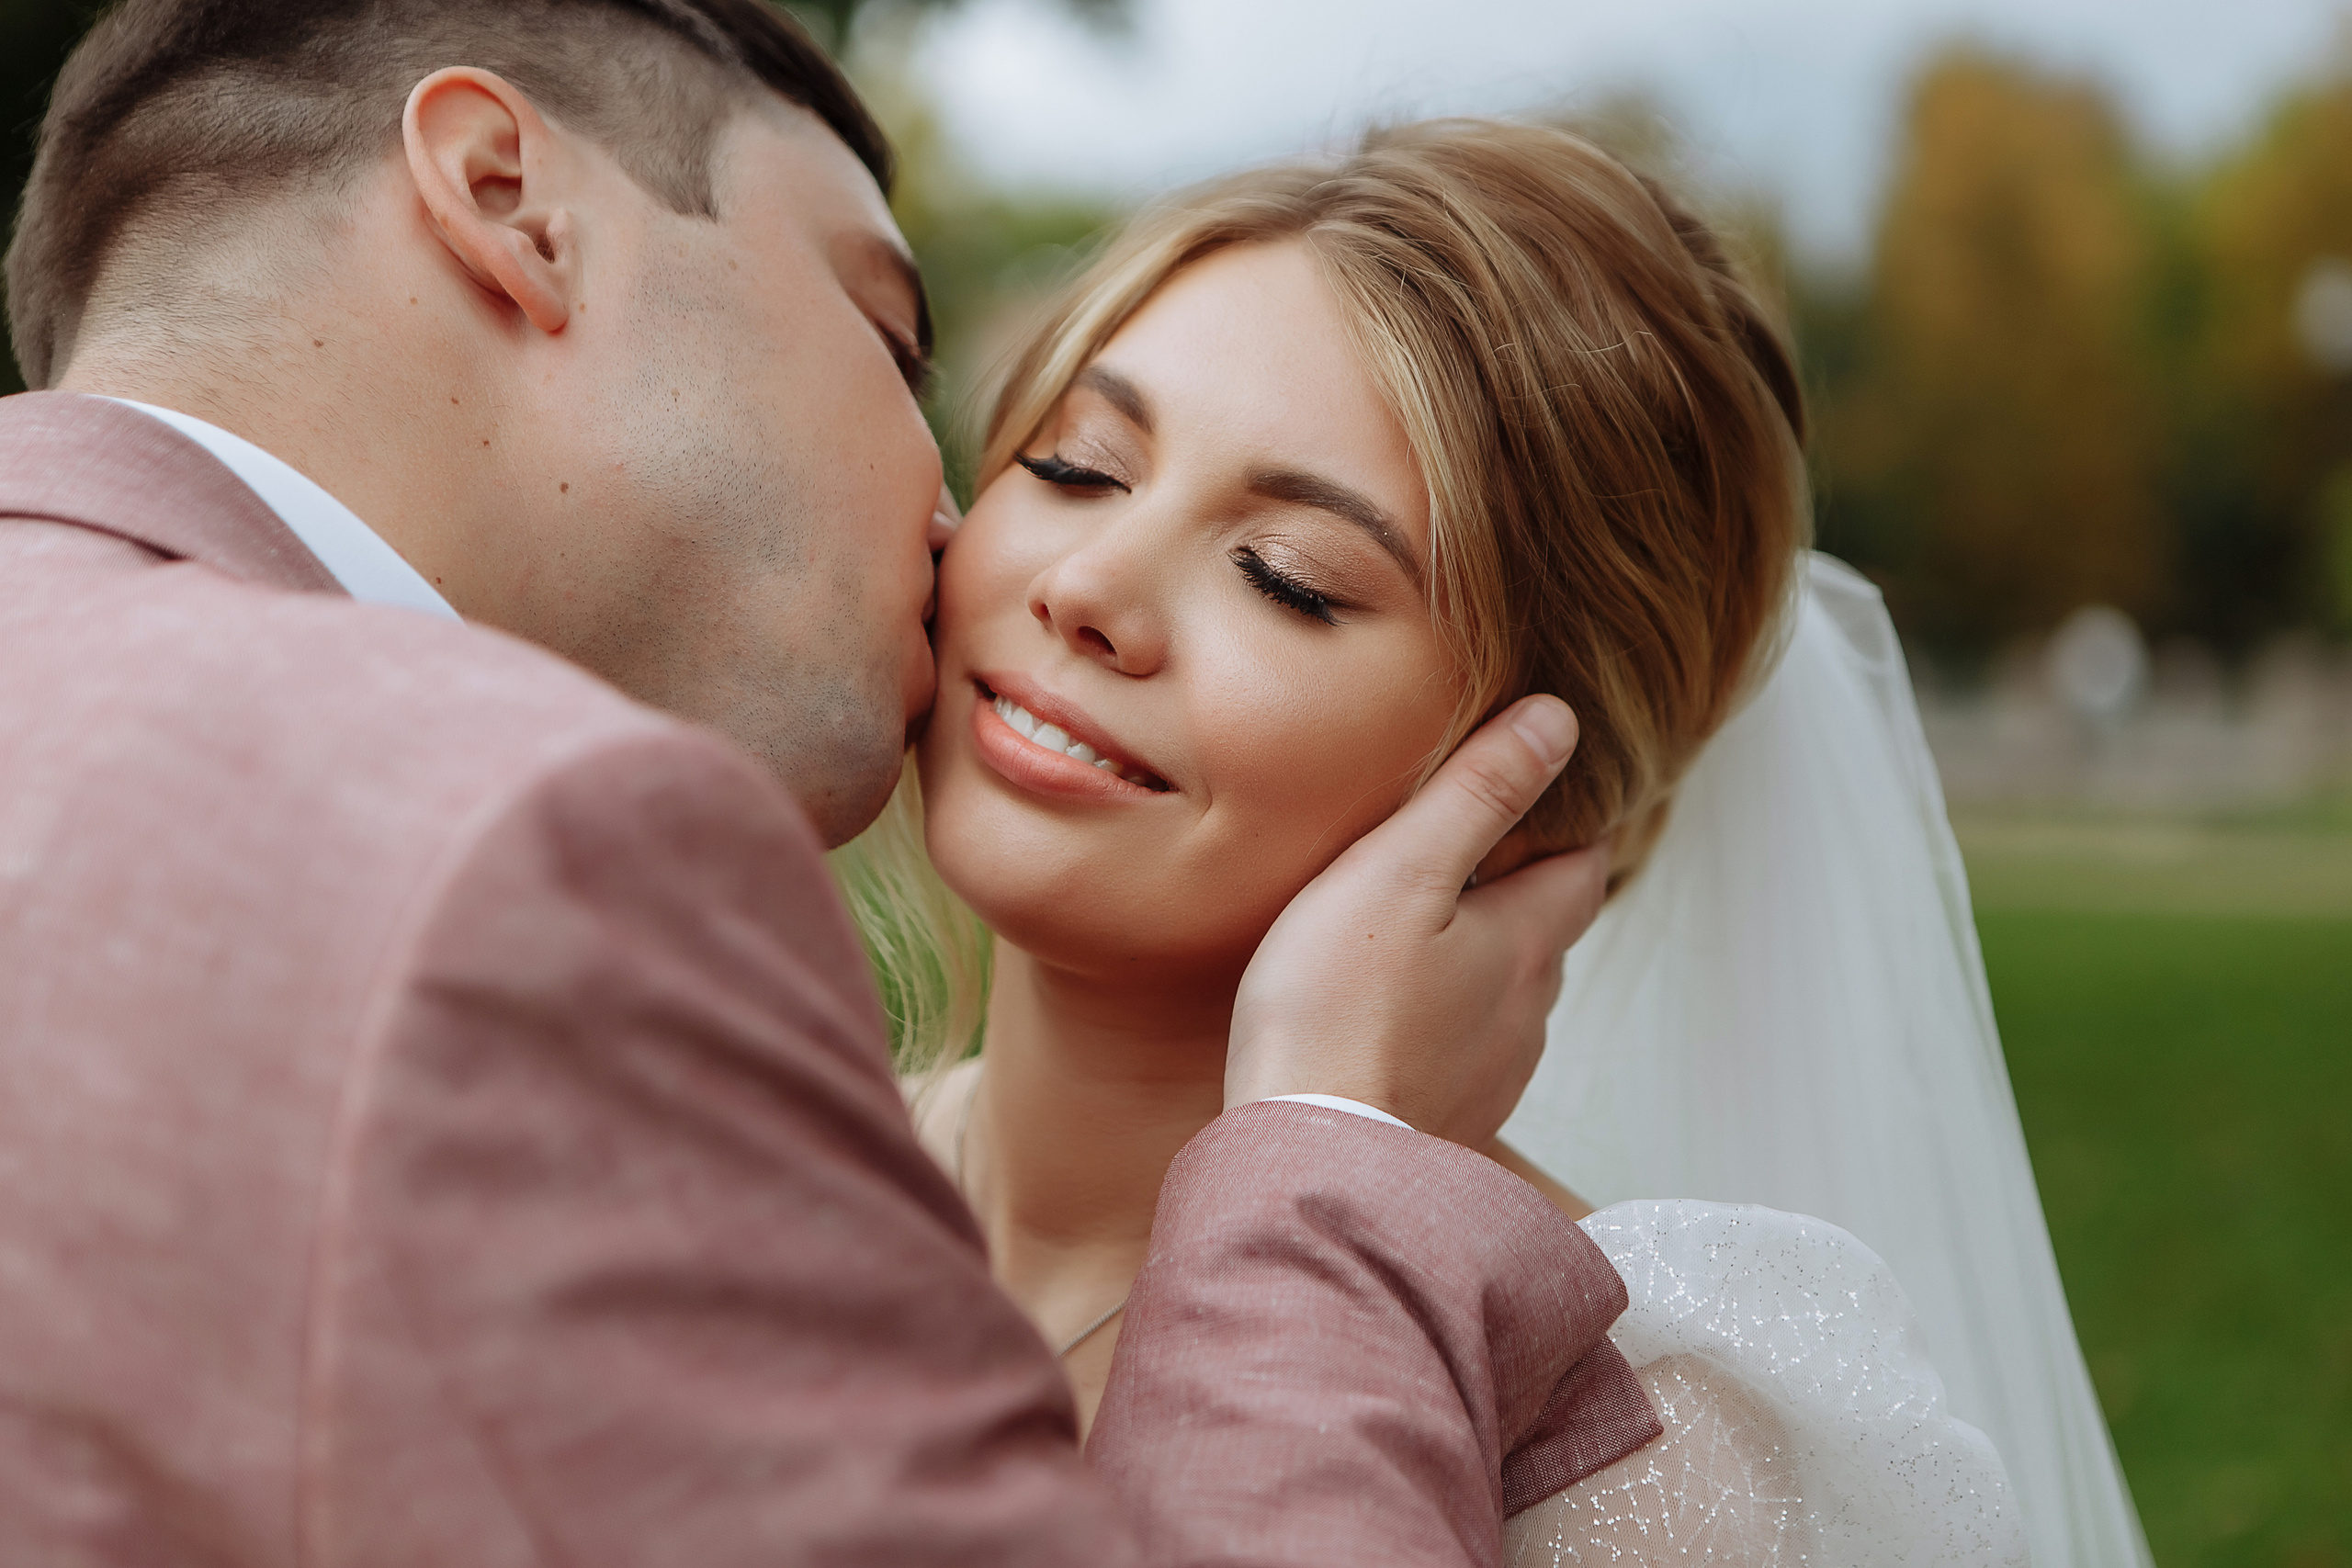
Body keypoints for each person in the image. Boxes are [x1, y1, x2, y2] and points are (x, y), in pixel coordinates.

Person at [0, 4, 1667, 1562]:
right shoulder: (524, 847)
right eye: (891, 338)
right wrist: (1334, 1164)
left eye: (1293, 575)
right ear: (511, 201)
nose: (974, 532)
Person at [870, 119, 2056, 1558]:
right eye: (1076, 466)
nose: (1089, 586)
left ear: (1539, 803)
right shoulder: (739, 1154)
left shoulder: (1638, 1453)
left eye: (1286, 578)